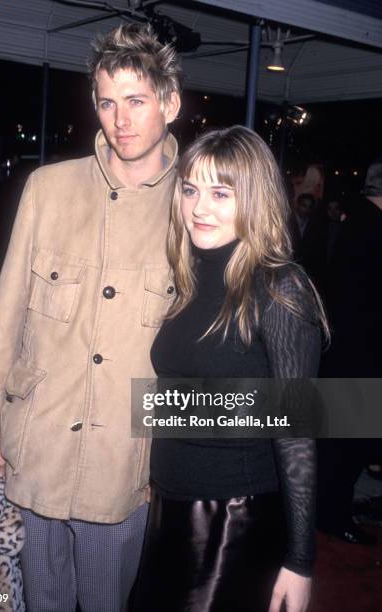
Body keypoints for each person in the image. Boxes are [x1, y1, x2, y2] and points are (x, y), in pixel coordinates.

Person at [0, 23, 181, 612]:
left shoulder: (195, 206)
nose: (121, 119)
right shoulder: (48, 188)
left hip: (125, 465)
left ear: (170, 102)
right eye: (108, 103)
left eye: (136, 101)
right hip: (37, 447)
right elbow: (4, 312)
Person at [132, 126, 328, 612]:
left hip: (231, 520)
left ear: (255, 199)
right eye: (191, 189)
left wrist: (301, 560)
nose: (200, 207)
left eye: (221, 193)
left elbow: (297, 433)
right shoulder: (189, 273)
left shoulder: (279, 287)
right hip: (169, 507)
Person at [317, 157, 382, 544]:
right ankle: (333, 514)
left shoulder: (358, 223)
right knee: (344, 446)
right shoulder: (368, 229)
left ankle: (333, 510)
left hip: (351, 349)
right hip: (358, 352)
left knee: (344, 443)